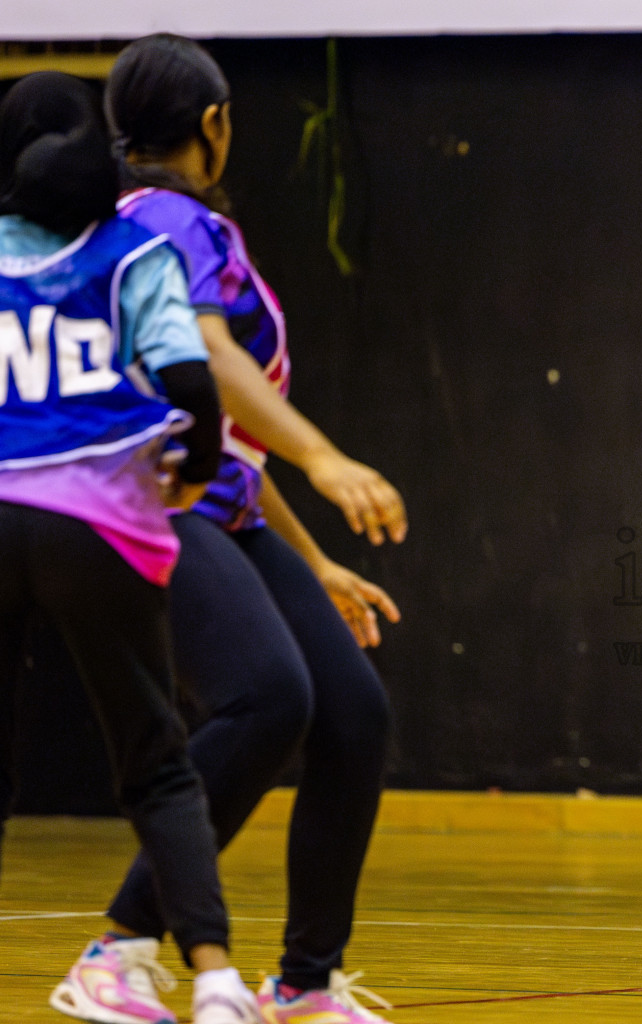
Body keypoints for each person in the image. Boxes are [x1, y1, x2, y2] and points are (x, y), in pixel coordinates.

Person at [48, 35, 404, 1024]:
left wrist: (317, 562)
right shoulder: (167, 219)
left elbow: (233, 442)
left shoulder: (158, 221)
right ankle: (116, 949)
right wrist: (326, 458)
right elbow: (207, 355)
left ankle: (302, 986)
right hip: (144, 504)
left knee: (352, 713)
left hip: (218, 500)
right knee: (265, 697)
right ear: (214, 124)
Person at [0, 72, 258, 1024]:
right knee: (154, 760)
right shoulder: (134, 250)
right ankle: (220, 979)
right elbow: (194, 391)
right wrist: (187, 476)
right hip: (98, 517)